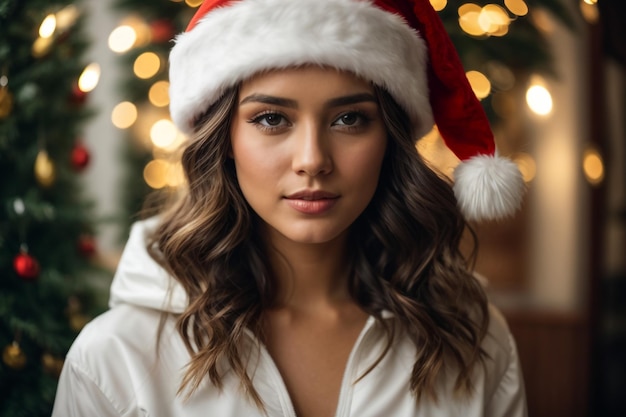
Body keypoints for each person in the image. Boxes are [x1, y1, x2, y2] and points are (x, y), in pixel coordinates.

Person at [52, 0, 528, 416]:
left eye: (349, 119)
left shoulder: (473, 338)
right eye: (272, 119)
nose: (312, 160)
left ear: (390, 138)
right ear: (226, 140)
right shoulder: (116, 357)